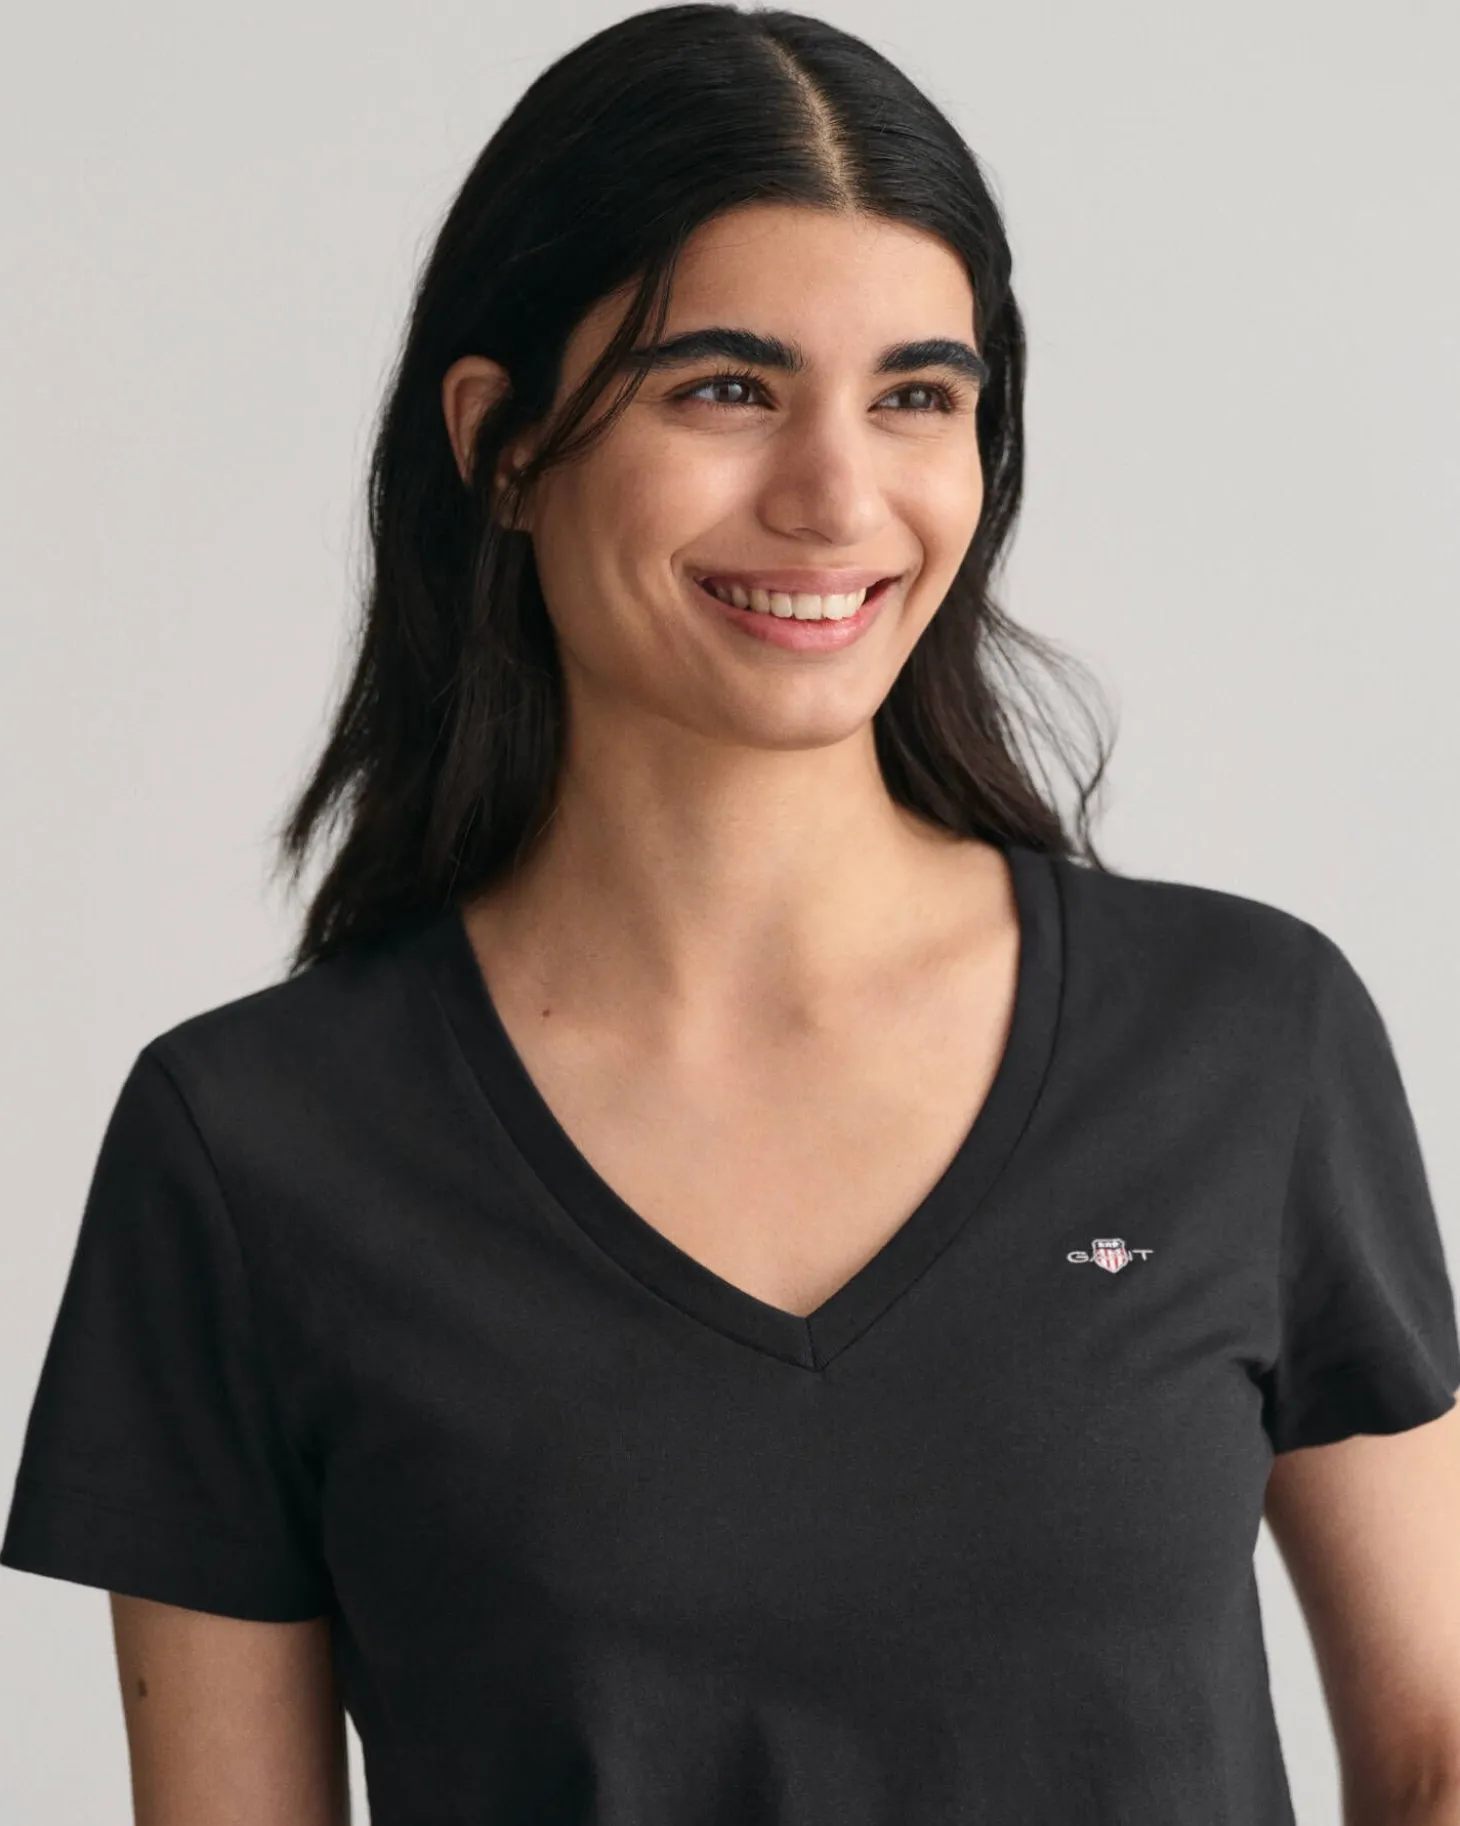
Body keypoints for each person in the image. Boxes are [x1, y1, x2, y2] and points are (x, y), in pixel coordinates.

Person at [4, 5, 1459, 1821]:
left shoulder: (1247, 1041)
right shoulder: (253, 1148)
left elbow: (1437, 1749)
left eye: (917, 395)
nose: (837, 497)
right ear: (501, 444)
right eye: (724, 388)